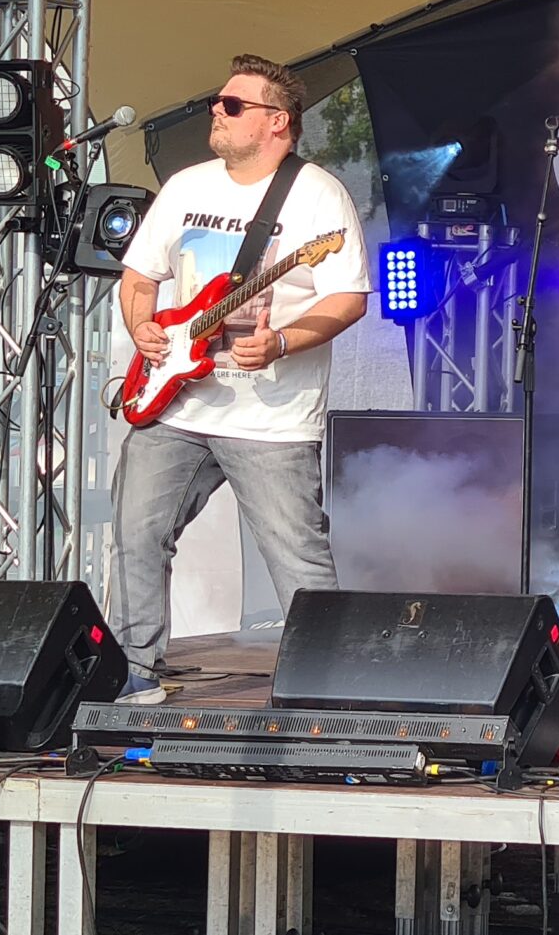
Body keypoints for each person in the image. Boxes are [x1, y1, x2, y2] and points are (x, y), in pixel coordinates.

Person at [109, 54, 369, 705]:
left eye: (232, 105)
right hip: (176, 404)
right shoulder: (186, 187)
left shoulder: (318, 195)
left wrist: (282, 340)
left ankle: (327, 687)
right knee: (137, 534)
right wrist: (142, 326)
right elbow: (139, 276)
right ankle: (136, 667)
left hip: (271, 416)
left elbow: (347, 298)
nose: (215, 113)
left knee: (297, 558)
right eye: (216, 103)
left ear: (277, 121)